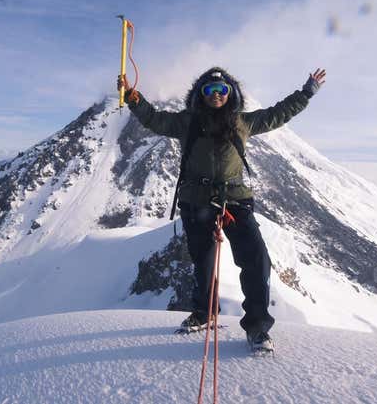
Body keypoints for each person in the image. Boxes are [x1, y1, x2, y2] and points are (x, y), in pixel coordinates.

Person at [117, 66, 326, 351]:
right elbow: (155, 120)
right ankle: (205, 313)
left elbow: (279, 113)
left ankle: (257, 327)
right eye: (209, 90)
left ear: (231, 94)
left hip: (234, 200)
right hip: (197, 201)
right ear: (200, 94)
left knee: (255, 260)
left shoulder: (243, 122)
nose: (216, 95)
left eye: (222, 90)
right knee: (203, 263)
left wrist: (305, 94)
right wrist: (132, 97)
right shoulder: (186, 122)